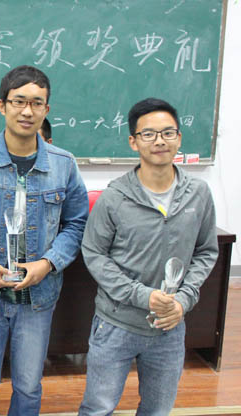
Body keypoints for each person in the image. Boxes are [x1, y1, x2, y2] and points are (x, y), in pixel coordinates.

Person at [0, 65, 88, 415]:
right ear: (2, 106)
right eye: (19, 101)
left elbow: (77, 224)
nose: (27, 111)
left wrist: (48, 264)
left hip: (38, 296)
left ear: (46, 109)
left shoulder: (64, 164)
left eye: (36, 103)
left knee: (29, 386)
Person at [78, 98, 218, 416]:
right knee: (98, 408)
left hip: (170, 325)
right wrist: (142, 295)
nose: (159, 141)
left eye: (167, 133)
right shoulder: (114, 197)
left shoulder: (198, 194)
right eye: (149, 134)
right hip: (116, 324)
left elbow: (206, 251)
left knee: (158, 410)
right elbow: (94, 253)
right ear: (133, 141)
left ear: (179, 138)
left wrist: (183, 300)